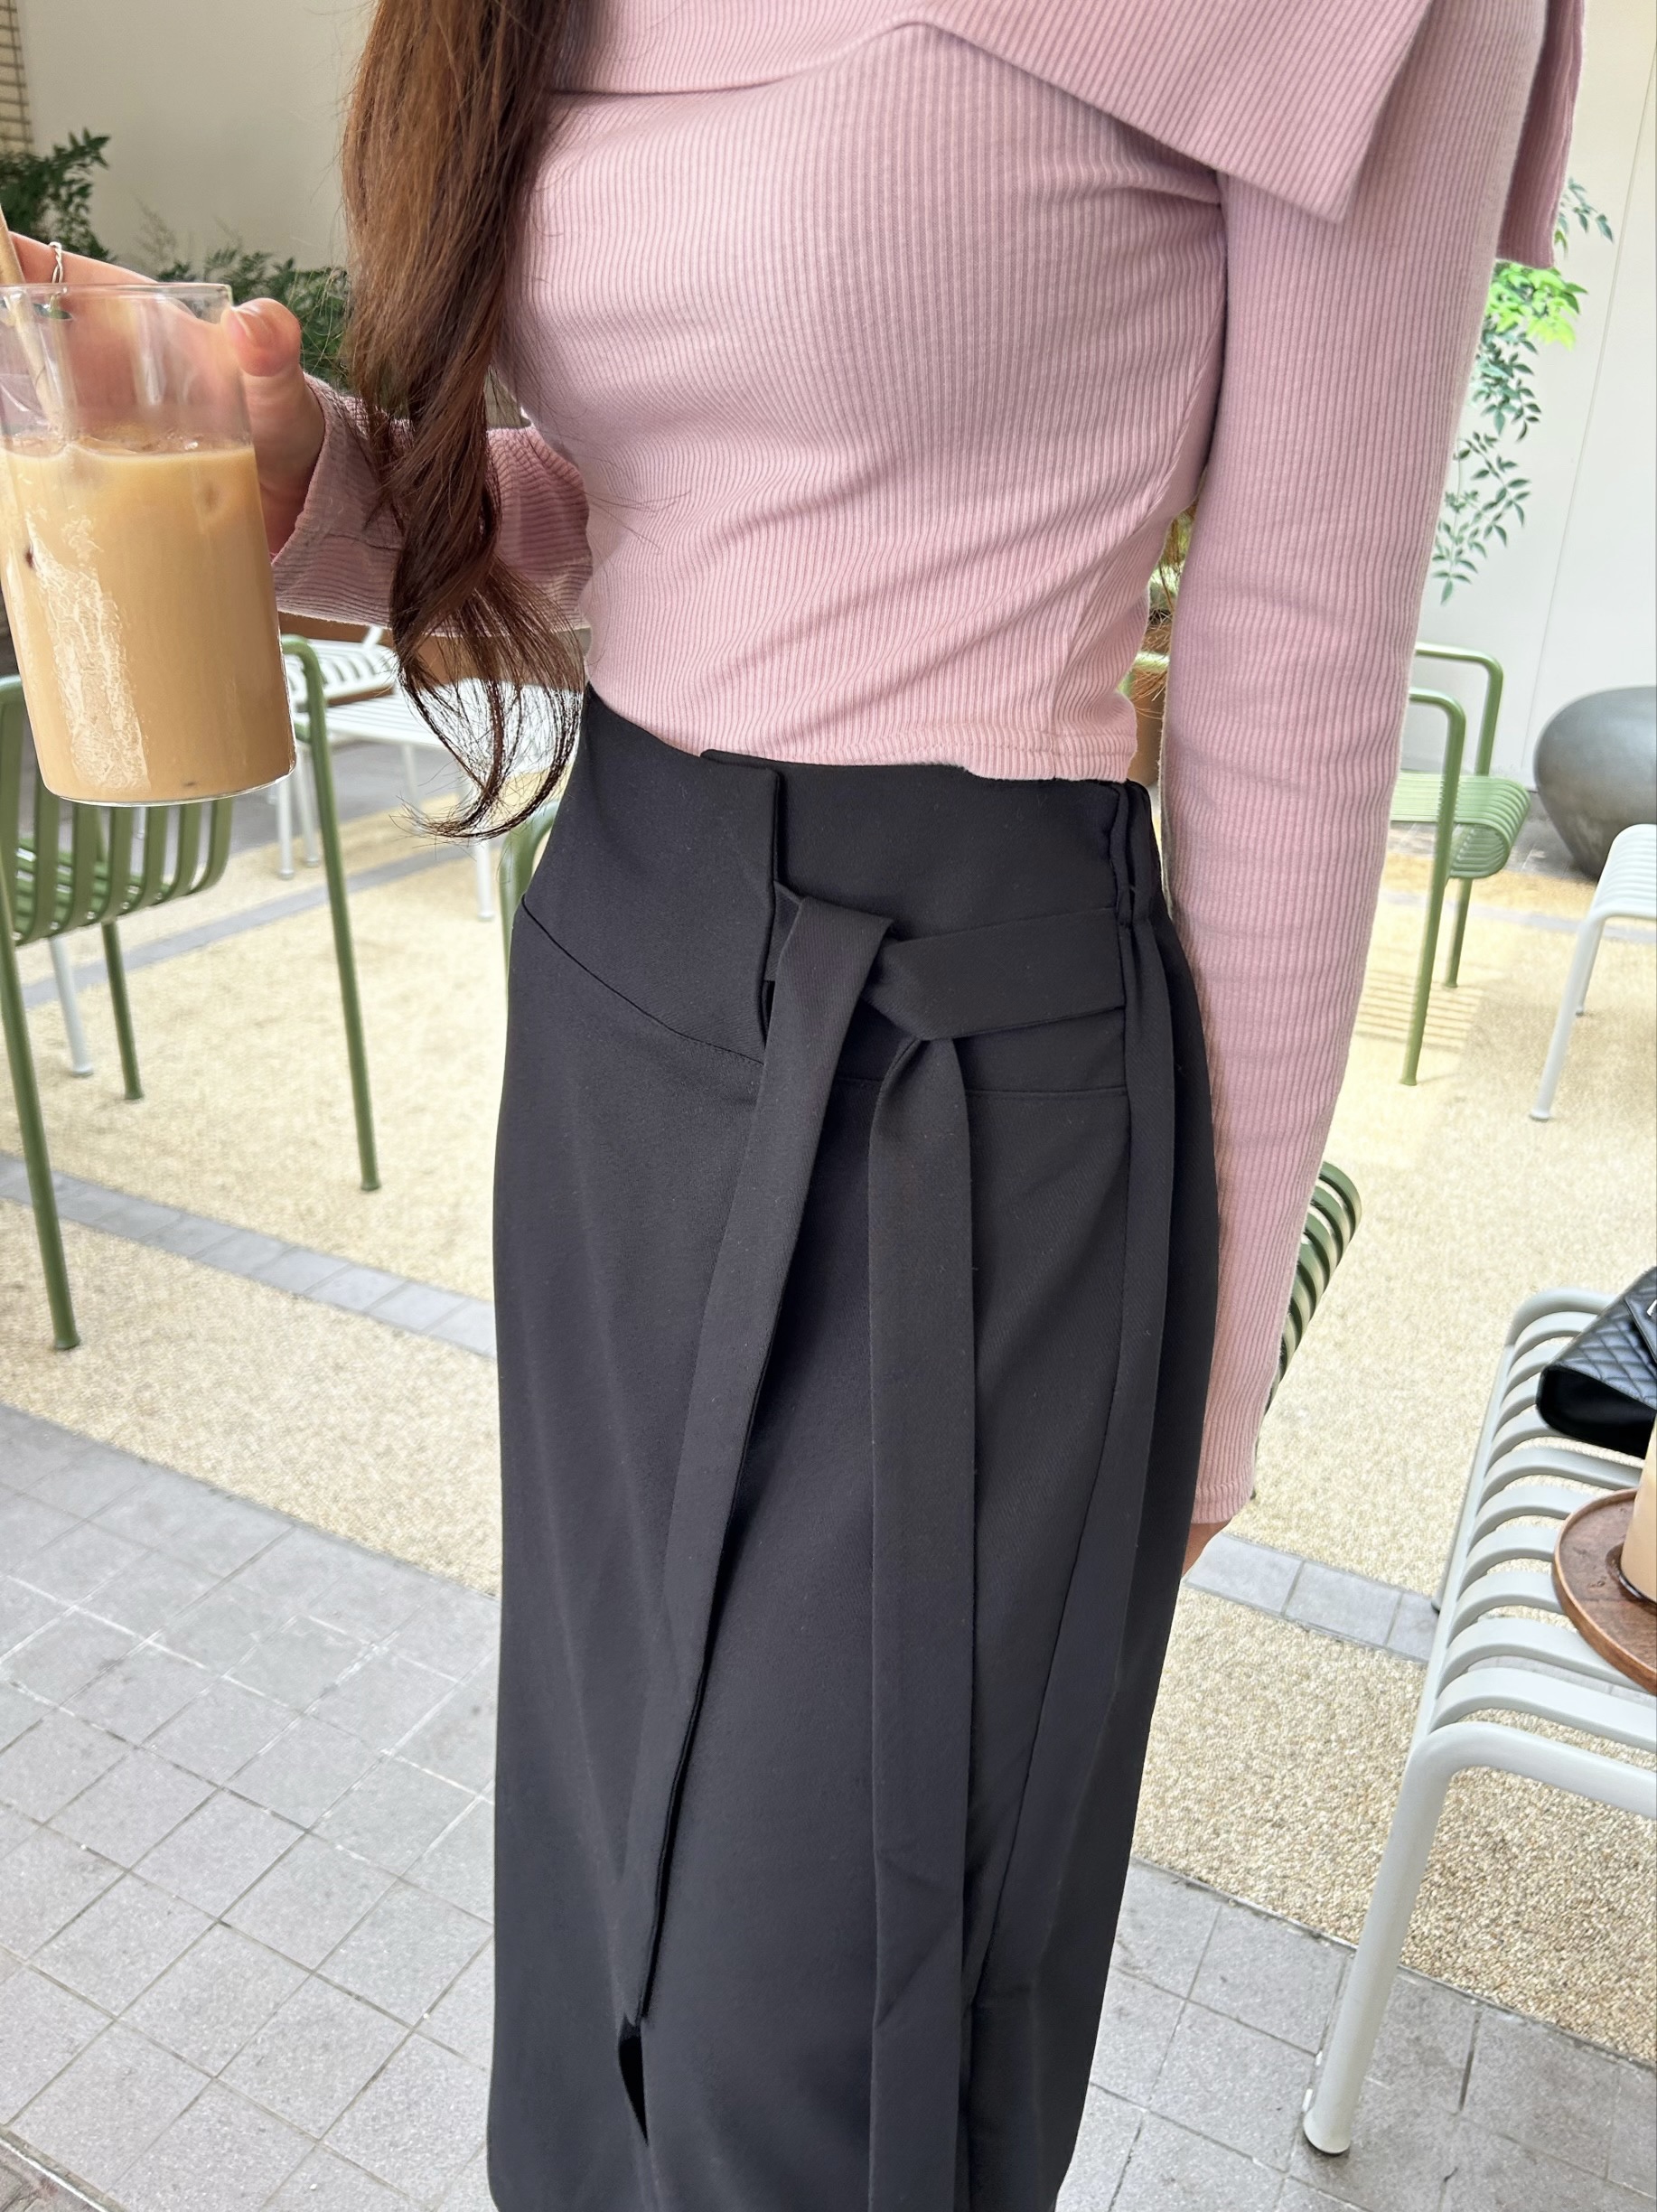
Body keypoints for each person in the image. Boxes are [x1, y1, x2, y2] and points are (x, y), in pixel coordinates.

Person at [12, 1, 1583, 2202]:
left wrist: (1195, 1387)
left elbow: (1298, 645)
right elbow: (629, 519)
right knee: (594, 1892)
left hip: (966, 1063)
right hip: (617, 975)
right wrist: (302, 481)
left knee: (825, 2017)